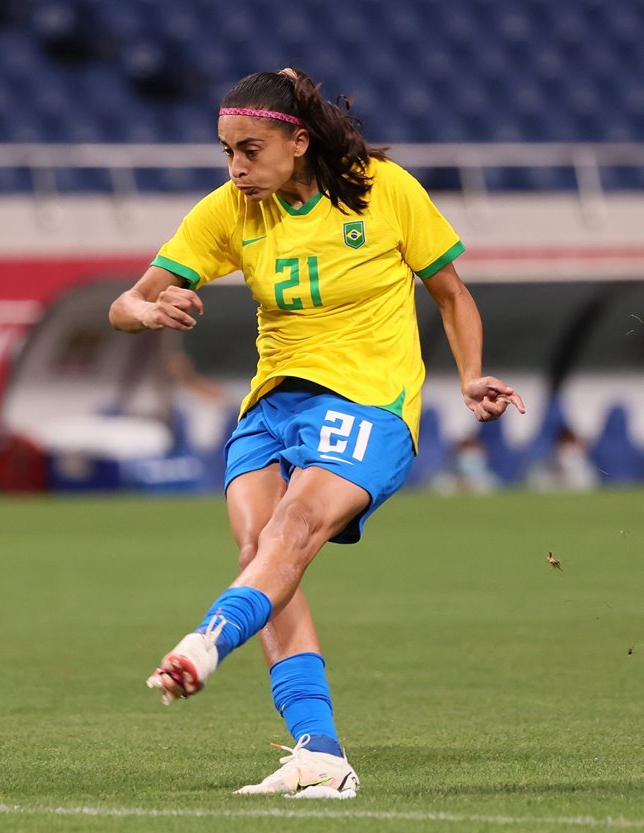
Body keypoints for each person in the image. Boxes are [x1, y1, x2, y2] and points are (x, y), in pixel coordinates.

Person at [108, 67, 525, 799]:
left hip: (370, 404)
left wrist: (469, 376)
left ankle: (205, 642)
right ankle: (321, 754)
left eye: (250, 149)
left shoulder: (383, 189)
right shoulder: (229, 211)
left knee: (293, 525)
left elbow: (452, 295)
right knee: (261, 548)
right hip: (272, 406)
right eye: (227, 152)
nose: (237, 166)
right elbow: (124, 304)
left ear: (297, 142)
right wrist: (149, 311)